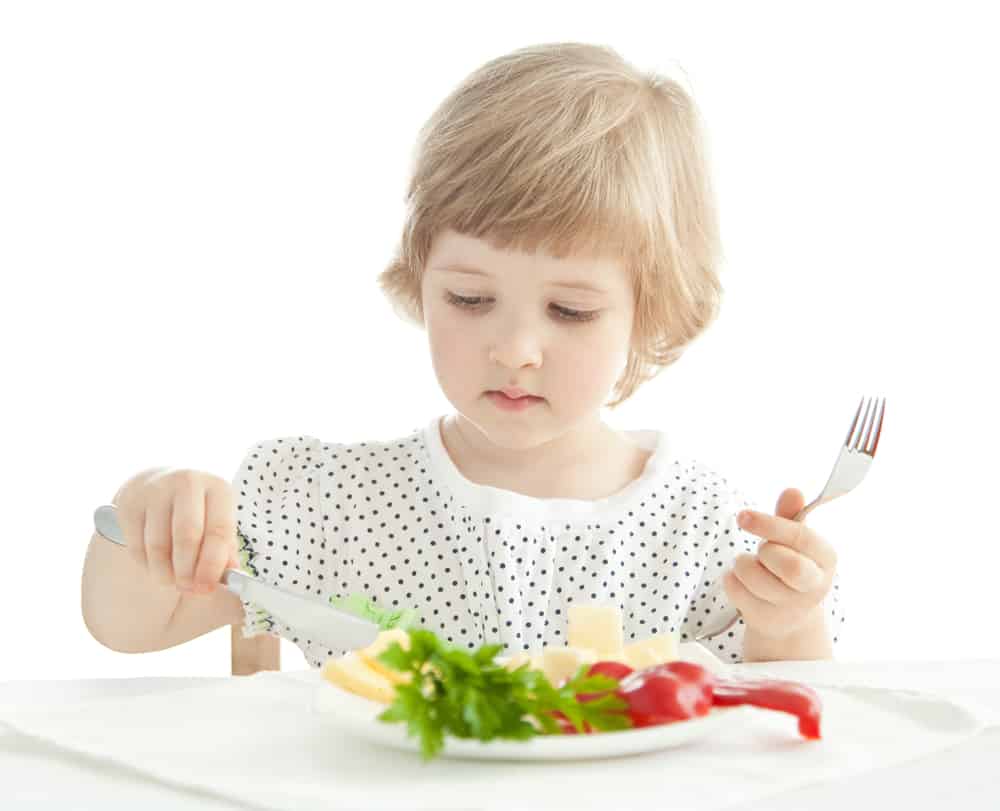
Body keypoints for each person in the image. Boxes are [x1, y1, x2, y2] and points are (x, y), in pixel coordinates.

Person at [81, 42, 842, 669]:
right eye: (470, 299)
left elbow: (786, 716)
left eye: (569, 310)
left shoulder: (703, 530)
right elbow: (127, 624)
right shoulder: (331, 505)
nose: (513, 349)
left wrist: (785, 619)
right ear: (420, 280)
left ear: (653, 311)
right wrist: (152, 510)